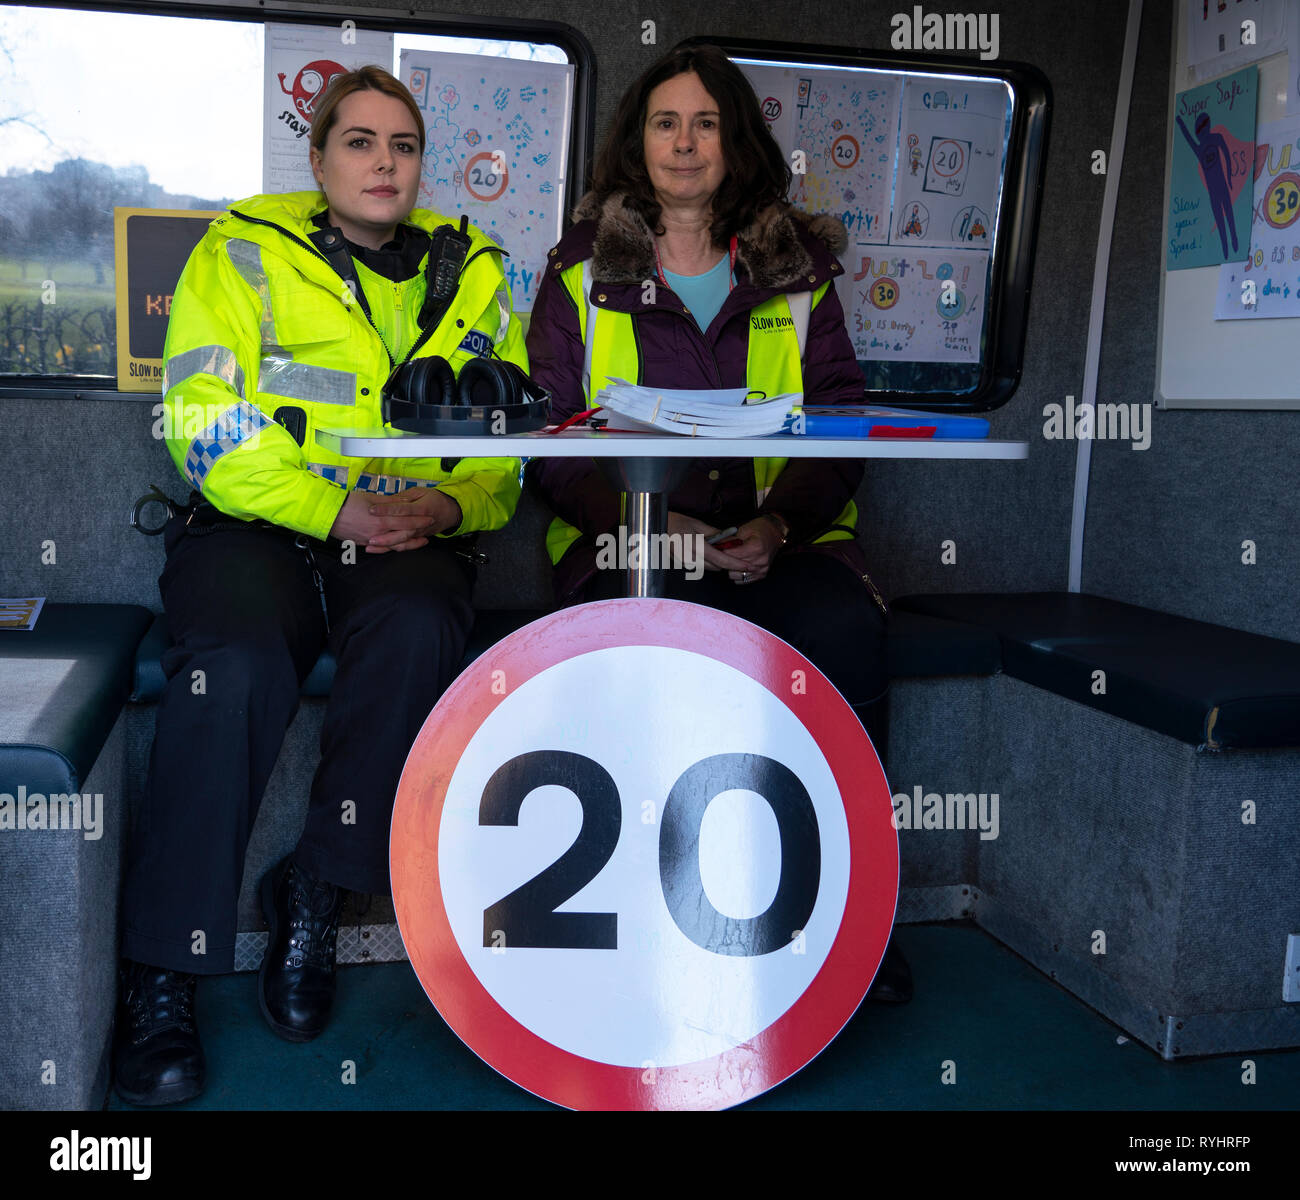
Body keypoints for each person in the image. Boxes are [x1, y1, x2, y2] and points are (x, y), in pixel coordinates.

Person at [114, 66, 528, 1105]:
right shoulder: (245, 249)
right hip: (262, 527)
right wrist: (333, 510)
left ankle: (318, 890)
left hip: (408, 534)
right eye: (359, 142)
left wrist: (448, 510)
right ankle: (164, 967)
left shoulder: (477, 269)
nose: (383, 163)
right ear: (316, 157)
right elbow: (196, 420)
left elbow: (507, 450)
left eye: (402, 146)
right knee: (236, 665)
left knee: (424, 625)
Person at [526, 44, 910, 1003]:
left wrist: (780, 526)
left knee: (842, 632)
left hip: (780, 541)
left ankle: (847, 910)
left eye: (706, 123)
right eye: (665, 123)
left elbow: (839, 414)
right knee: (634, 645)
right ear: (637, 141)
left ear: (736, 141)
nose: (685, 143)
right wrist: (648, 525)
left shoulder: (798, 266)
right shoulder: (578, 269)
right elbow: (547, 435)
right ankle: (646, 913)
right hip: (626, 540)